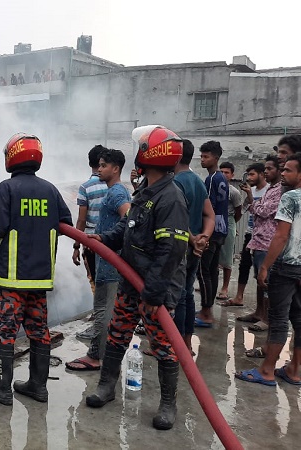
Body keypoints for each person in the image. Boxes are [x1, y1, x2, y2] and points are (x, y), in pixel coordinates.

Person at [85, 125, 188, 431]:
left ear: (149, 154)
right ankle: (106, 387)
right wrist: (104, 240)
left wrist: (153, 295)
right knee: (118, 333)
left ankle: (168, 405)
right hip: (133, 283)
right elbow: (129, 228)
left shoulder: (171, 198)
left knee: (164, 345)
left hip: (155, 289)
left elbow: (170, 251)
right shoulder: (146, 190)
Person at [0, 133, 72, 405]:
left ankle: (2, 388)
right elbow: (65, 223)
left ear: (11, 157)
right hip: (40, 279)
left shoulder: (7, 190)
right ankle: (37, 387)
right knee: (38, 330)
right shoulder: (50, 189)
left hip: (12, 280)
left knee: (5, 333)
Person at [236, 153, 301, 386]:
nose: (283, 173)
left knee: (278, 318)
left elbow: (281, 235)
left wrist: (265, 266)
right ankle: (294, 370)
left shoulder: (291, 197)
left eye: (288, 170)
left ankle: (267, 370)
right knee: (299, 318)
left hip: (286, 266)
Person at [65, 149, 130, 371]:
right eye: (99, 165)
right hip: (109, 259)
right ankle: (104, 353)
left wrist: (107, 238)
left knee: (103, 308)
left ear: (116, 168)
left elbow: (129, 218)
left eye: (104, 166)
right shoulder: (116, 190)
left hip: (110, 261)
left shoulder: (116, 193)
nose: (99, 169)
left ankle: (96, 356)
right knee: (107, 307)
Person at [173, 139, 214, 353]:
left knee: (178, 296)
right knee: (187, 294)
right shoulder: (197, 181)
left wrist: (193, 241)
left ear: (177, 157)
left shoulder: (175, 183)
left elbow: (178, 219)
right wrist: (203, 238)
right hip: (195, 248)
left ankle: (178, 345)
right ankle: (187, 343)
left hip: (181, 248)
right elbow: (210, 215)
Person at [235, 156, 283, 335]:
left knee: (267, 281)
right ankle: (259, 312)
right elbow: (253, 209)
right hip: (258, 239)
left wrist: (253, 201)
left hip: (268, 242)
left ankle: (267, 319)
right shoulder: (270, 189)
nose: (266, 172)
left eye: (270, 169)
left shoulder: (279, 191)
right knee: (259, 279)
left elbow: (263, 211)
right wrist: (252, 200)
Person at [73, 145, 108, 338]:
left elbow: (81, 220)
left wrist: (77, 246)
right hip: (111, 243)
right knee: (109, 283)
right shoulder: (113, 185)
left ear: (89, 163)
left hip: (92, 244)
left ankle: (98, 325)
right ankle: (107, 319)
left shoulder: (86, 187)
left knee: (95, 282)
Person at [222, 163, 267, 308]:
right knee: (244, 265)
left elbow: (263, 212)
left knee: (261, 271)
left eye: (252, 174)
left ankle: (263, 308)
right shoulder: (252, 190)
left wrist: (250, 196)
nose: (249, 178)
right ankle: (239, 297)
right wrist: (249, 195)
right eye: (248, 175)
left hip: (264, 235)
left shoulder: (269, 191)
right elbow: (246, 209)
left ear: (262, 174)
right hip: (250, 232)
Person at [195, 141, 229, 327]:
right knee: (212, 271)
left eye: (206, 156)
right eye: (201, 156)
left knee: (203, 271)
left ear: (216, 158)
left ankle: (206, 312)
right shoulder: (222, 178)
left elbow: (209, 208)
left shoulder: (211, 180)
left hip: (213, 231)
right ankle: (208, 309)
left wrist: (203, 233)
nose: (202, 159)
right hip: (222, 230)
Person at [216, 162, 244, 301]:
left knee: (227, 257)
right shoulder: (212, 188)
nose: (223, 174)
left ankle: (225, 287)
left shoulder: (234, 192)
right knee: (211, 256)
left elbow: (239, 212)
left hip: (228, 220)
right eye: (221, 172)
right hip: (214, 221)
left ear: (232, 175)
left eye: (227, 172)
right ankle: (211, 283)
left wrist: (232, 225)